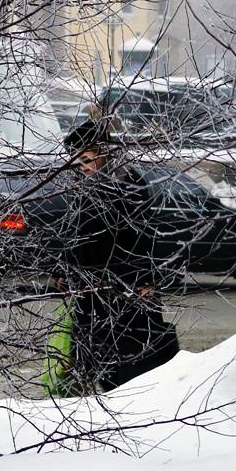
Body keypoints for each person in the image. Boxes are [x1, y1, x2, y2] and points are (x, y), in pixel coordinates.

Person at [62, 118, 179, 392]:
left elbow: (143, 236)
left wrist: (146, 281)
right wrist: (66, 270)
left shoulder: (128, 183)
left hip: (127, 285)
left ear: (103, 152)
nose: (82, 165)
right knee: (99, 356)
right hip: (92, 286)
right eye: (77, 159)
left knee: (134, 357)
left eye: (88, 157)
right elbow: (77, 235)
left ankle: (137, 404)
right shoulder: (85, 186)